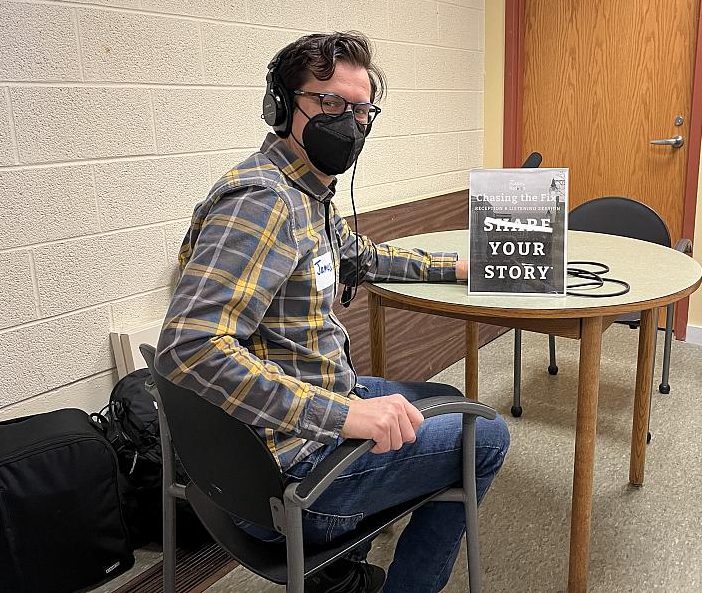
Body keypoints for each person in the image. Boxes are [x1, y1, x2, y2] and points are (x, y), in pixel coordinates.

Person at [156, 31, 509, 593]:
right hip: (293, 465)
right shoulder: (264, 201)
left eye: (361, 110)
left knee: (441, 403)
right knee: (485, 436)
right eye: (329, 103)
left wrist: (461, 267)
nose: (349, 121)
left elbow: (360, 257)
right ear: (281, 106)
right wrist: (345, 418)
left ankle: (337, 576)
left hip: (298, 421)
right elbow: (189, 347)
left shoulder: (306, 195)